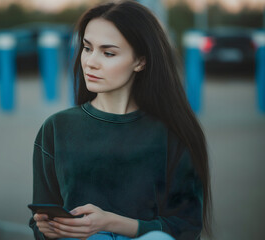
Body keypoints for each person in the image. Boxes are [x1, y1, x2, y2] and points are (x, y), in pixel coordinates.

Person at [29, 0, 212, 239]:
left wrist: (111, 223)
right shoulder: (56, 128)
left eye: (108, 53)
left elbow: (187, 226)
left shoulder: (172, 133)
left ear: (140, 61)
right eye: (87, 48)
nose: (91, 62)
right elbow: (39, 221)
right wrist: (49, 229)